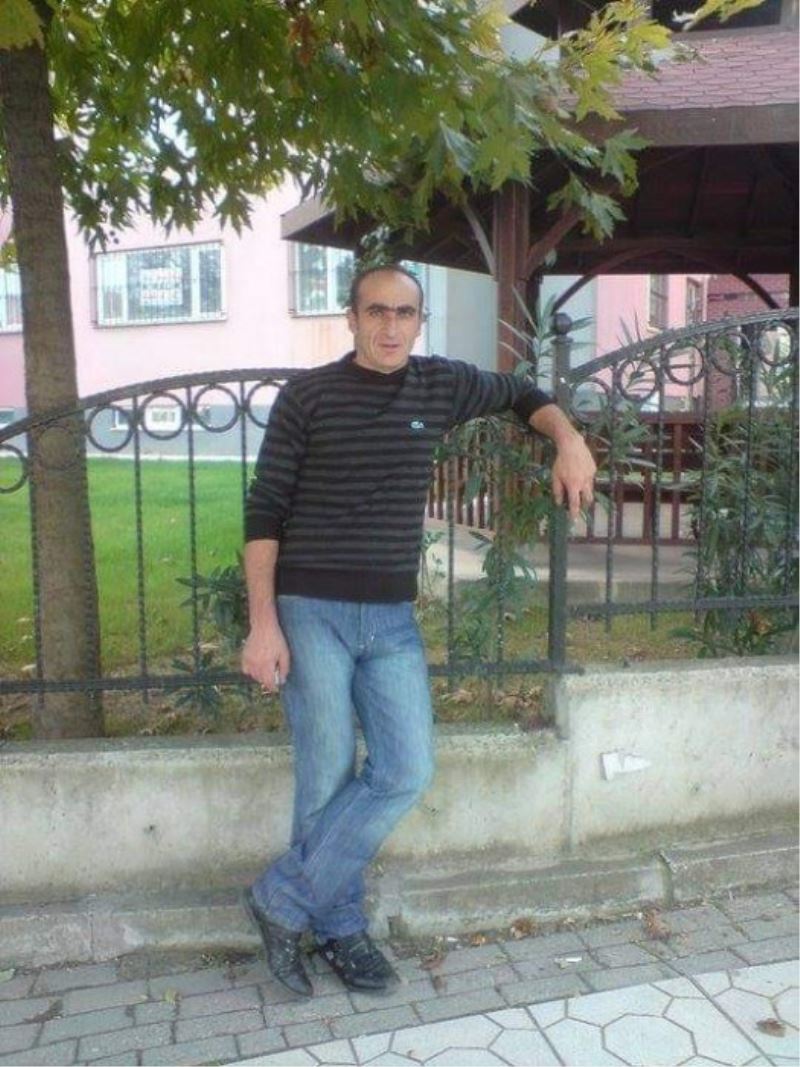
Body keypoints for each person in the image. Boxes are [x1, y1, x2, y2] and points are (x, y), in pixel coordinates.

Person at [241, 264, 596, 998]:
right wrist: (262, 623)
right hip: (311, 608)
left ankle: (281, 899)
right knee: (325, 774)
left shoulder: (438, 385)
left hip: (391, 618)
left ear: (418, 321)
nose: (391, 325)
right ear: (351, 318)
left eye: (405, 313)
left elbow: (521, 393)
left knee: (406, 769)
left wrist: (569, 439)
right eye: (377, 311)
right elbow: (265, 509)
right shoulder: (308, 397)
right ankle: (339, 928)